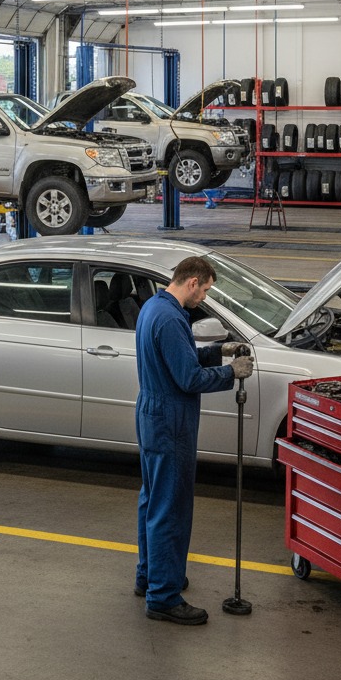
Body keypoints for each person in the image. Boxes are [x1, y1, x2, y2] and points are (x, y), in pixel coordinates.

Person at [133, 255, 254, 626]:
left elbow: (180, 358)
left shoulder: (155, 307)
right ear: (192, 282)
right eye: (205, 290)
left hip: (152, 412)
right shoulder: (171, 318)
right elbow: (188, 378)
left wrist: (219, 351)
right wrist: (230, 373)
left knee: (152, 498)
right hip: (171, 419)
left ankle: (150, 575)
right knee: (171, 506)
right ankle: (164, 597)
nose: (204, 297)